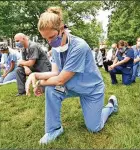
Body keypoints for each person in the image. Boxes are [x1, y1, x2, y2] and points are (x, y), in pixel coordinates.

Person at [25, 7, 118, 144]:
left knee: (94, 127)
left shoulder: (79, 47)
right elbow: (55, 73)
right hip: (70, 88)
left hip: (91, 91)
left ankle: (111, 105)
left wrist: (40, 82)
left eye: (51, 37)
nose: (49, 42)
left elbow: (60, 79)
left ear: (62, 28)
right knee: (52, 90)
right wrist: (35, 75)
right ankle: (54, 129)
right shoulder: (56, 48)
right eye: (45, 39)